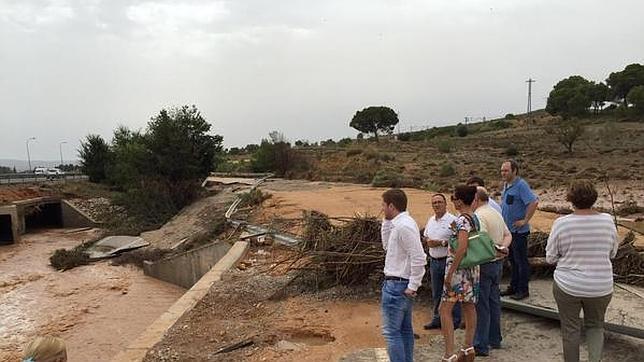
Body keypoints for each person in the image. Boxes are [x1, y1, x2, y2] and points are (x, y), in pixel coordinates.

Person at [545, 180, 618, 362]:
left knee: (570, 329)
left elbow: (550, 258)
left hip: (568, 285)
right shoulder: (608, 221)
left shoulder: (561, 224)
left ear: (571, 198)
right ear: (594, 197)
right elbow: (613, 252)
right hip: (601, 286)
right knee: (595, 326)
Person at [380, 188, 427, 362]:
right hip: (399, 285)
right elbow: (386, 246)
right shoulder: (399, 224)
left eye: (384, 205)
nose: (382, 209)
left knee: (392, 333)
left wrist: (413, 285)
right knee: (404, 330)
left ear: (391, 206)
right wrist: (386, 222)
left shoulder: (404, 226)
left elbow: (419, 257)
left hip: (397, 285)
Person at [440, 185, 479, 362]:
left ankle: (450, 354)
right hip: (472, 270)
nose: (452, 201)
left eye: (453, 198)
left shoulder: (462, 220)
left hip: (459, 272)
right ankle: (468, 347)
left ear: (460, 200)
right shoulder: (474, 218)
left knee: (445, 310)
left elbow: (462, 247)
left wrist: (450, 273)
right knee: (469, 306)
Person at [472, 187, 512, 357]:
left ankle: (481, 344)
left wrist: (494, 251)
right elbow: (507, 234)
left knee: (482, 305)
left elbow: (483, 241)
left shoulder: (479, 216)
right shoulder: (496, 213)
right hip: (497, 264)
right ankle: (495, 338)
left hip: (485, 264)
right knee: (494, 301)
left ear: (476, 199)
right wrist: (503, 249)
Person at [500, 160, 538, 300]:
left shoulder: (521, 185)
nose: (503, 173)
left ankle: (523, 290)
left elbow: (533, 202)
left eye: (506, 170)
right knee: (513, 261)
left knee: (521, 261)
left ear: (514, 171)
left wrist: (525, 220)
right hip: (509, 231)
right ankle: (513, 287)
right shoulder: (506, 185)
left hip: (519, 232)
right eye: (502, 170)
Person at [421, 193, 461, 330]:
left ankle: (455, 320)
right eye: (434, 203)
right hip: (434, 261)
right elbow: (425, 236)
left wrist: (441, 243)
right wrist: (428, 242)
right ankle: (437, 319)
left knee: (451, 291)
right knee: (436, 292)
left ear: (445, 204)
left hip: (448, 261)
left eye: (439, 202)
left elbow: (459, 241)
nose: (437, 205)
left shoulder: (454, 221)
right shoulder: (431, 220)